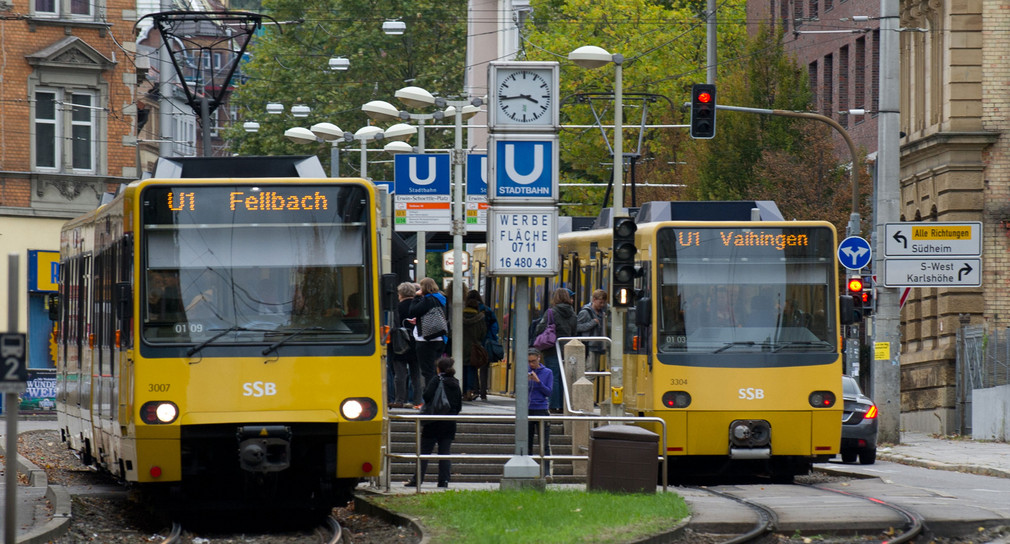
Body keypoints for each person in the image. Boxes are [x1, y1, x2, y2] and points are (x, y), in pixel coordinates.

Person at [405, 356, 462, 488]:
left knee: (424, 452)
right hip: (449, 422)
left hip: (433, 422)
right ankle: (444, 481)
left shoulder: (437, 380)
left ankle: (417, 479)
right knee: (444, 453)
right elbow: (458, 405)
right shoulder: (455, 382)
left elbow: (427, 395)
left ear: (438, 368)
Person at [533, 287, 577, 412]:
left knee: (554, 376)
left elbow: (540, 329)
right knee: (564, 377)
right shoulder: (573, 314)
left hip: (552, 348)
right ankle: (564, 405)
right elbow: (575, 332)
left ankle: (553, 405)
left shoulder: (551, 312)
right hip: (568, 350)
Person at [407, 277, 447, 398]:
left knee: (427, 370)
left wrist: (416, 297)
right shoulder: (441, 299)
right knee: (435, 369)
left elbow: (412, 311)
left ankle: (431, 396)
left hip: (426, 339)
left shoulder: (427, 300)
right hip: (439, 337)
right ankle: (438, 393)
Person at [391, 282, 422, 409]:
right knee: (416, 375)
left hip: (400, 344)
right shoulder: (418, 306)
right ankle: (417, 401)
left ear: (400, 294)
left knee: (400, 374)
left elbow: (393, 326)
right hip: (417, 343)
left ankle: (400, 400)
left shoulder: (397, 308)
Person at [527, 348, 553, 475]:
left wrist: (538, 382)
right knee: (527, 441)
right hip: (528, 408)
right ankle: (528, 469)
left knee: (544, 442)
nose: (531, 364)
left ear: (539, 358)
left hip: (541, 409)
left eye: (533, 361)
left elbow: (548, 392)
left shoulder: (547, 372)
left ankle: (546, 471)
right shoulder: (525, 371)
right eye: (529, 362)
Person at [461, 290, 488, 401]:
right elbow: (483, 333)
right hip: (474, 347)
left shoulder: (459, 317)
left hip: (460, 347)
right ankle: (469, 391)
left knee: (462, 368)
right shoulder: (480, 318)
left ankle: (462, 391)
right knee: (471, 369)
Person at [576, 289, 609, 373]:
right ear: (594, 299)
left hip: (598, 346)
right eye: (600, 302)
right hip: (589, 346)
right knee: (590, 372)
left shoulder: (602, 313)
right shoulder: (585, 312)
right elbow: (577, 327)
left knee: (593, 372)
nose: (602, 305)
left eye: (603, 303)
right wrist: (592, 323)